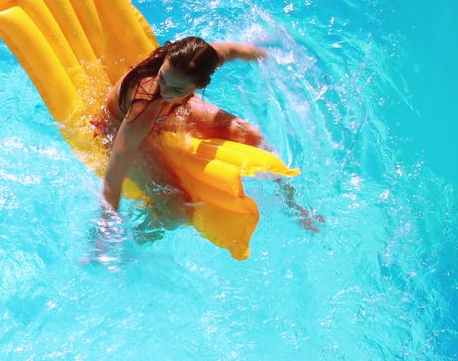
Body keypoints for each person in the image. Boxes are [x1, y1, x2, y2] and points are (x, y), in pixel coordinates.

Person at [94, 36, 322, 239]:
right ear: (165, 60)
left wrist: (267, 56)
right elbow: (113, 177)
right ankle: (137, 238)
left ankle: (294, 206)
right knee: (178, 211)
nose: (164, 89)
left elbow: (233, 50)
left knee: (251, 135)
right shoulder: (146, 104)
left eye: (176, 89)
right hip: (119, 132)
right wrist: (104, 234)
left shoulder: (200, 60)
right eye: (162, 77)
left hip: (167, 115)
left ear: (199, 85)